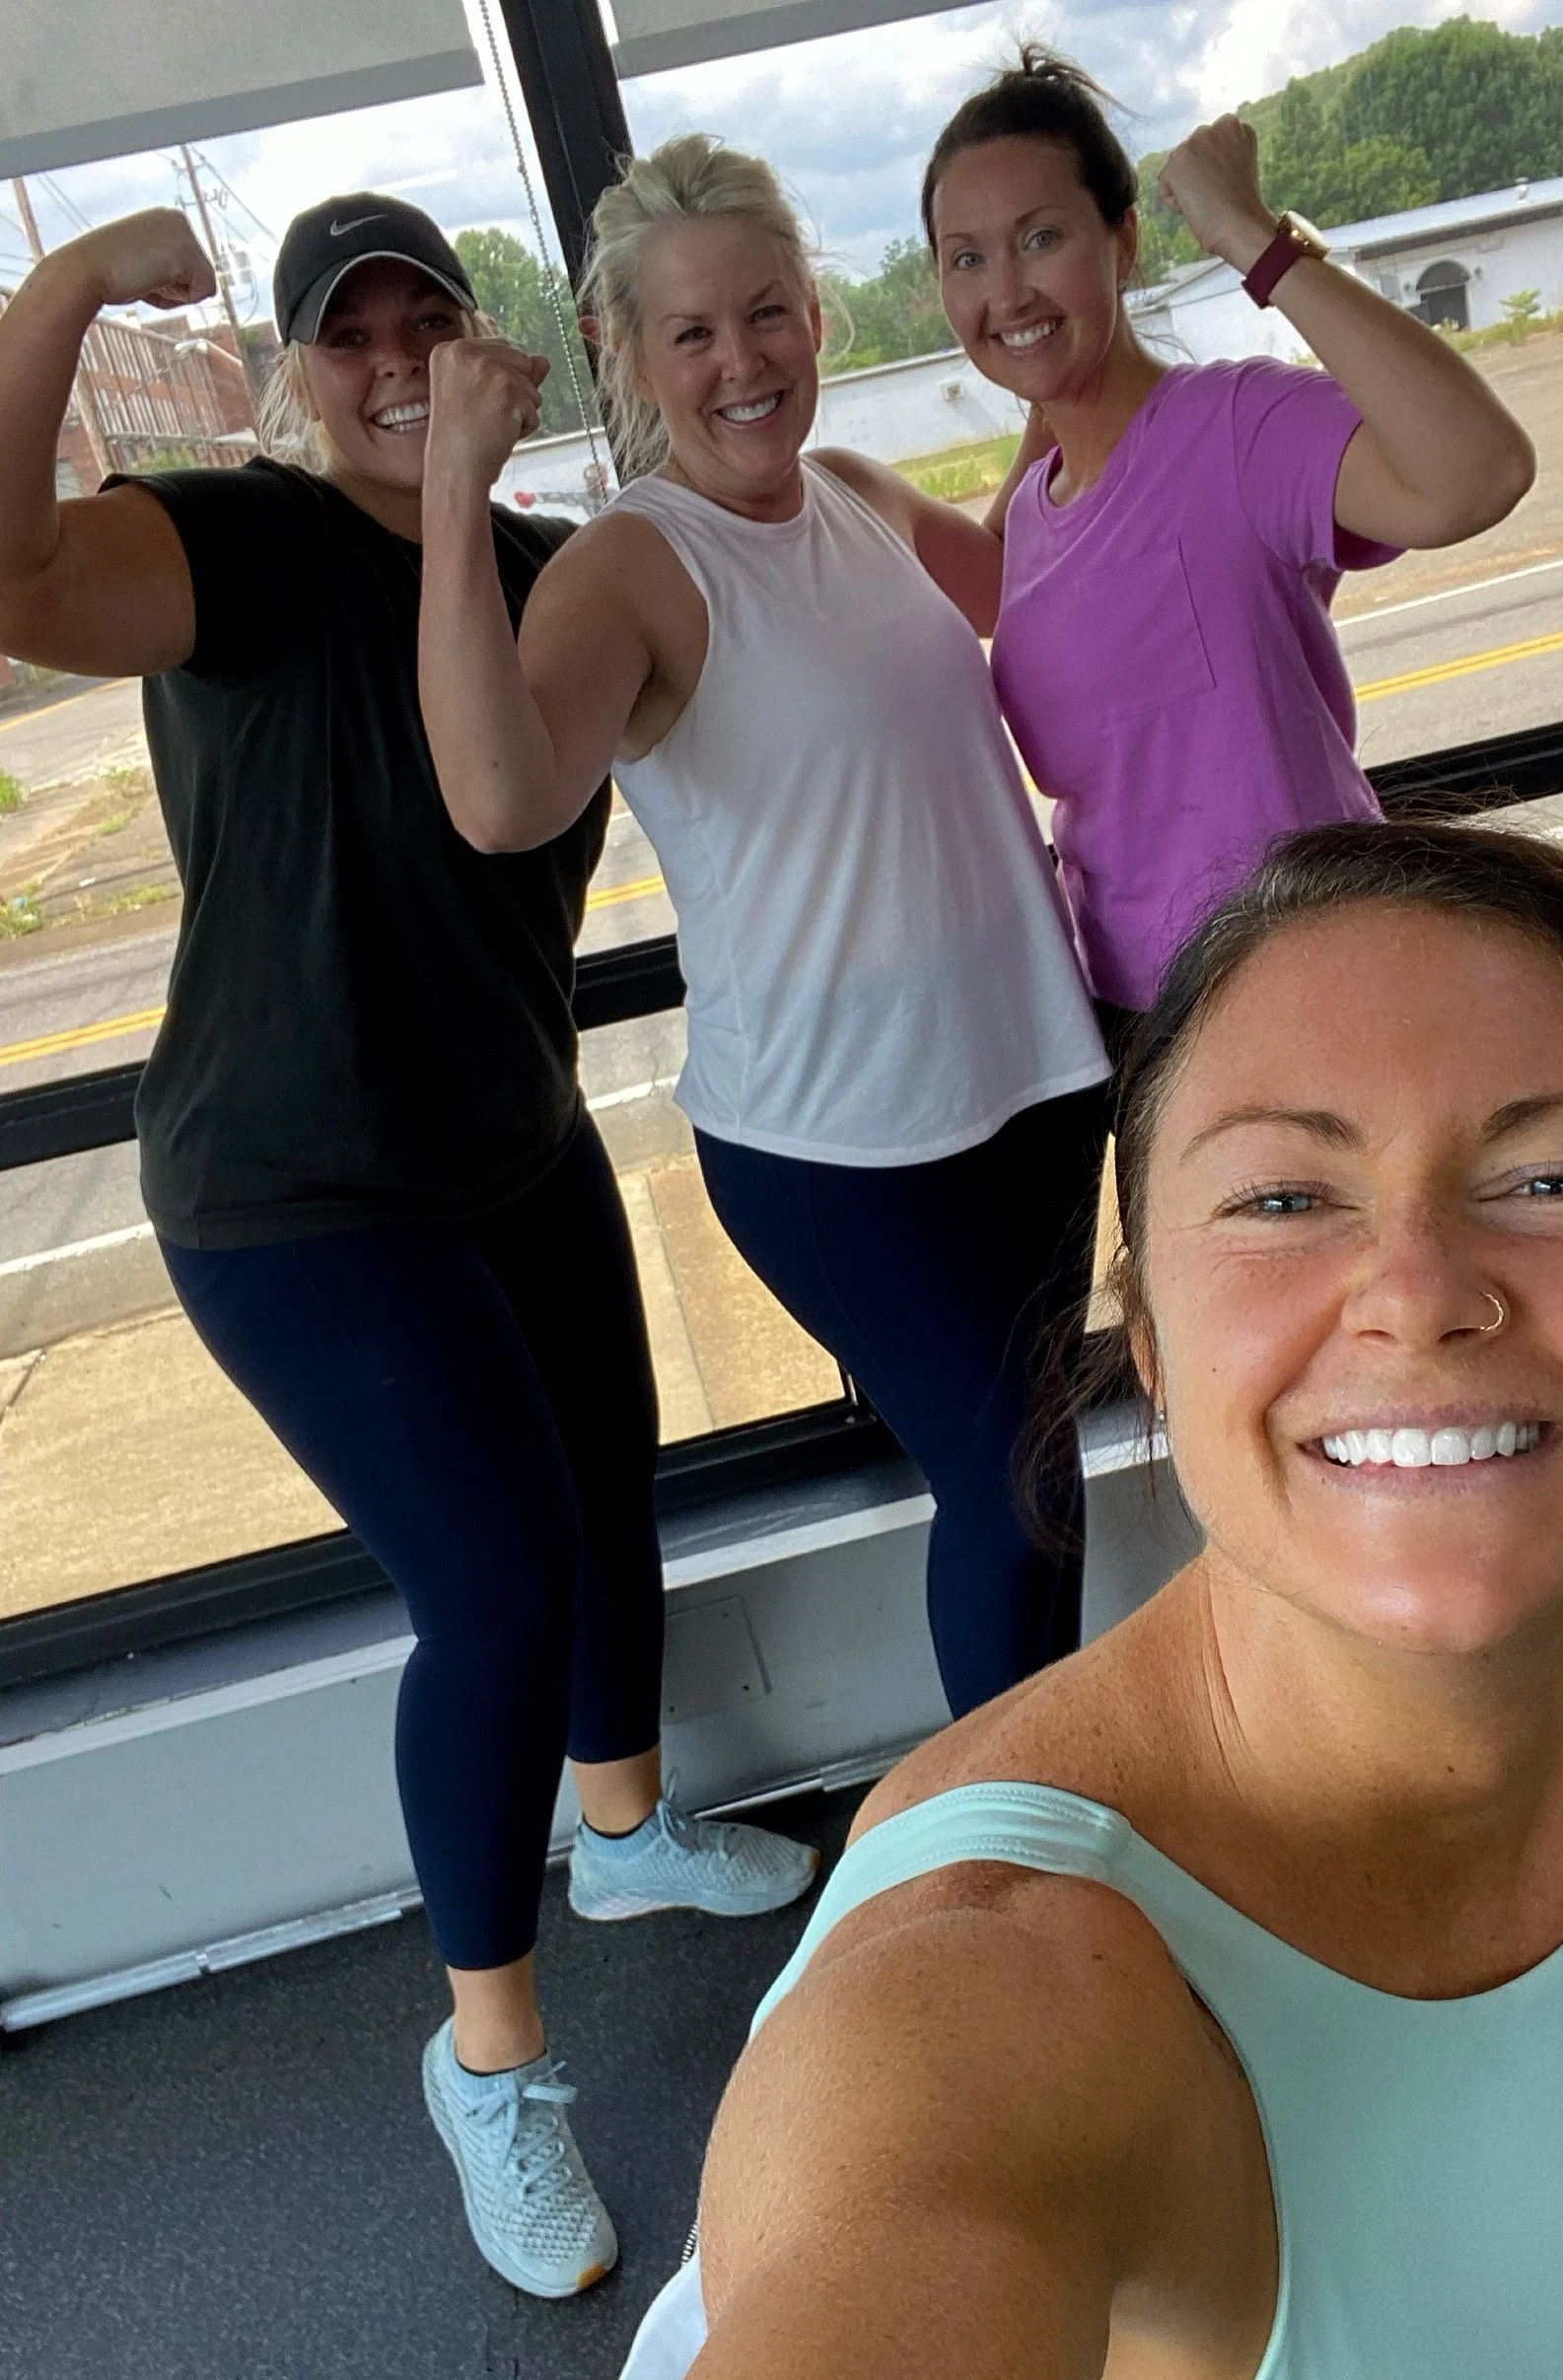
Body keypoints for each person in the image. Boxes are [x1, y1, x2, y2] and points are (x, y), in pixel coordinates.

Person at [619, 818, 1563, 2379]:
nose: (1419, 1289)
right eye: (1284, 1199)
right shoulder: (984, 2004)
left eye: (1553, 1172)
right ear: (1151, 1346)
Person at [0, 194, 816, 2306]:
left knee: (604, 1507)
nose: (387, 356)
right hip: (288, 1188)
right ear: (290, 375)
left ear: (493, 346)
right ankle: (489, 2059)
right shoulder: (235, 544)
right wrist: (63, 294)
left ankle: (624, 1838)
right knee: (495, 1580)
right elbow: (3, 574)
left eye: (421, 319)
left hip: (508, 1146)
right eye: (342, 333)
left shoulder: (553, 578)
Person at [417, 136, 1111, 1724]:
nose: (742, 362)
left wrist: (1065, 368)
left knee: (1043, 1479)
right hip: (837, 1139)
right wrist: (459, 498)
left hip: (1027, 1075)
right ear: (627, 354)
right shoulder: (629, 567)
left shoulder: (858, 495)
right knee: (1009, 1493)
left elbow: (1038, 587)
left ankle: (1064, 1815)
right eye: (692, 333)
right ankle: (999, 1876)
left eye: (769, 314)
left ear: (816, 314)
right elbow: (501, 800)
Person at [924, 50, 1539, 1039]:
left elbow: (1477, 472)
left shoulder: (1232, 426)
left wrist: (1252, 240)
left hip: (1313, 979)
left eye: (1041, 237)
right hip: (1133, 1012)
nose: (1007, 290)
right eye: (965, 257)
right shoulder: (1031, 513)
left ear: (1122, 243)